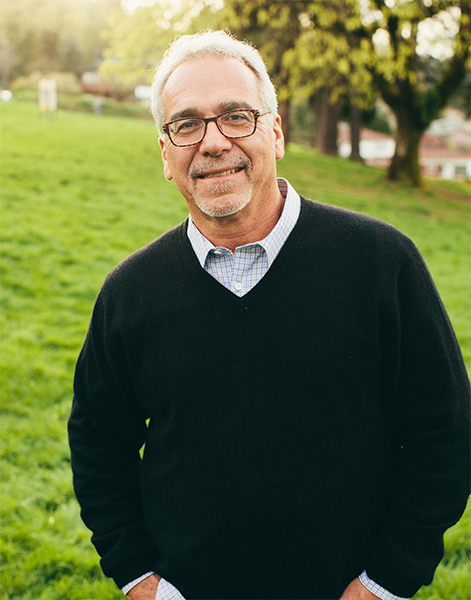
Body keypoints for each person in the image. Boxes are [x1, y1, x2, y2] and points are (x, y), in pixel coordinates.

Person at [68, 30, 471, 600]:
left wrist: (384, 584)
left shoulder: (381, 263)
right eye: (186, 124)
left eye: (236, 116)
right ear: (166, 154)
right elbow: (97, 443)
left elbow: (445, 434)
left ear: (276, 133)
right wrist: (139, 578)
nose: (212, 142)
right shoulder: (129, 294)